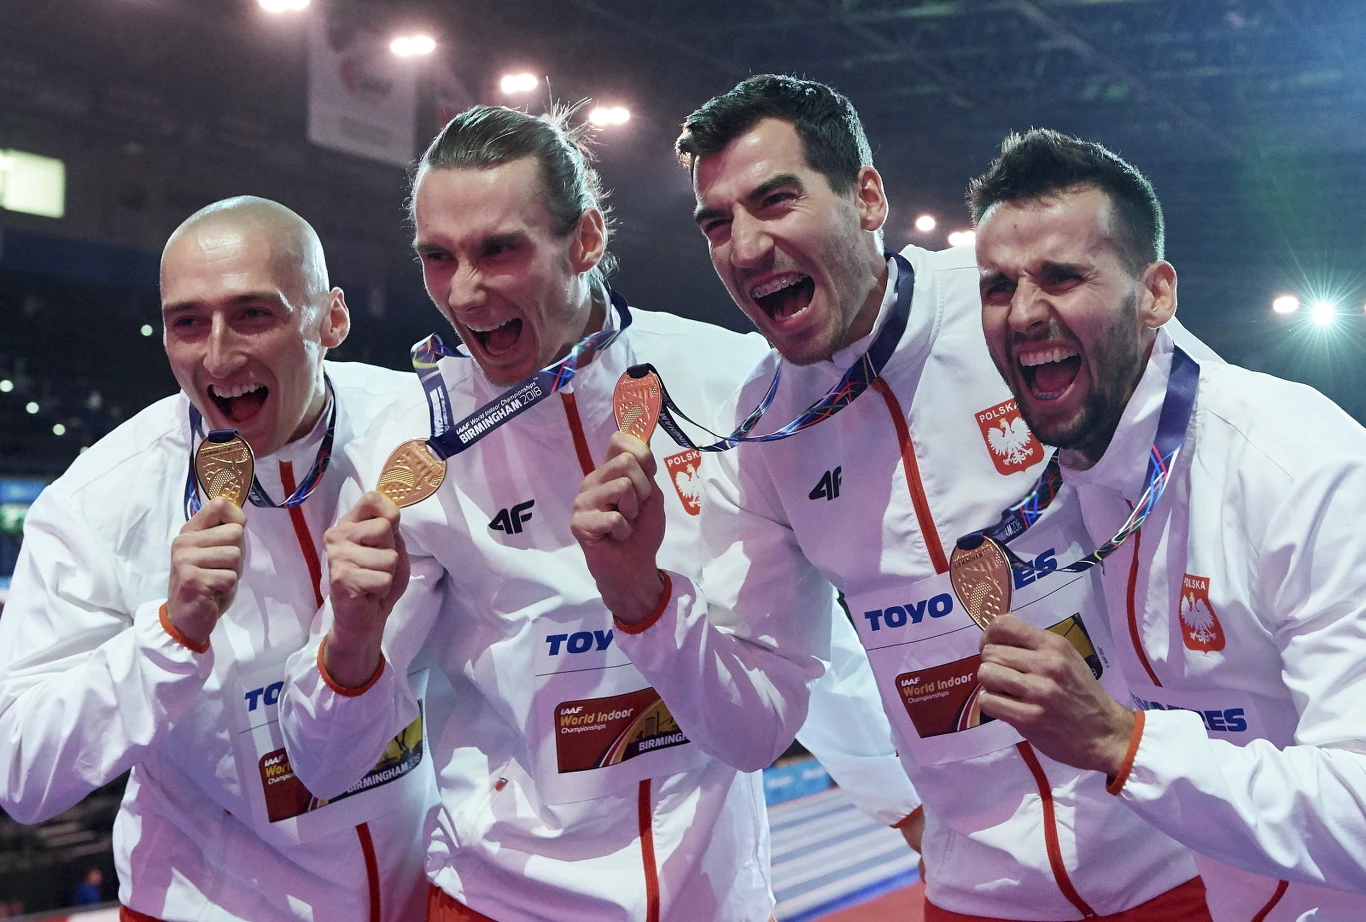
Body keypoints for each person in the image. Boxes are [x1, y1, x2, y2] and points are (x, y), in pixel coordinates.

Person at [571, 75, 1216, 921]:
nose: (746, 245)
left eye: (776, 201)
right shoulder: (761, 432)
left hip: (1184, 859)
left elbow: (1221, 487)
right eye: (718, 223)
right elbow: (755, 728)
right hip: (979, 895)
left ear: (866, 195)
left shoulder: (1017, 303)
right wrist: (640, 598)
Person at [278, 104, 922, 922]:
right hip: (497, 904)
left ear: (584, 240)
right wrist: (349, 645)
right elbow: (325, 767)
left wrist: (906, 804)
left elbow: (799, 649)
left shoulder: (732, 385)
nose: (465, 292)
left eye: (499, 250)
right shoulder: (409, 447)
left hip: (709, 901)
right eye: (438, 258)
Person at [967, 128, 1366, 921]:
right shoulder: (1081, 475)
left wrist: (1120, 742)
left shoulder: (1301, 469)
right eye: (997, 286)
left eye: (1061, 276)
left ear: (1155, 293)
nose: (1023, 312)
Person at [0, 196, 435, 922]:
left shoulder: (416, 431)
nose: (218, 355)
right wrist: (169, 637)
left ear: (332, 318)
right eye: (187, 323)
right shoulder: (99, 502)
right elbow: (21, 770)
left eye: (253, 314)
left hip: (422, 895)